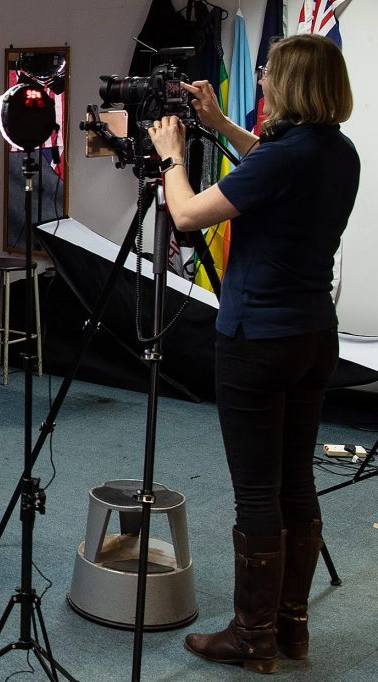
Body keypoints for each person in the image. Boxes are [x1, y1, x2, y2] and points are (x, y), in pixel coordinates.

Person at [148, 34, 358, 674]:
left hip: (256, 343)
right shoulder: (336, 151)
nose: (261, 79)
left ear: (290, 84)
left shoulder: (284, 158)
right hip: (312, 337)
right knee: (296, 479)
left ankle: (250, 636)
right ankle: (290, 628)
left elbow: (185, 215)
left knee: (257, 494)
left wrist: (170, 157)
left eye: (269, 72)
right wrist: (218, 124)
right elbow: (270, 162)